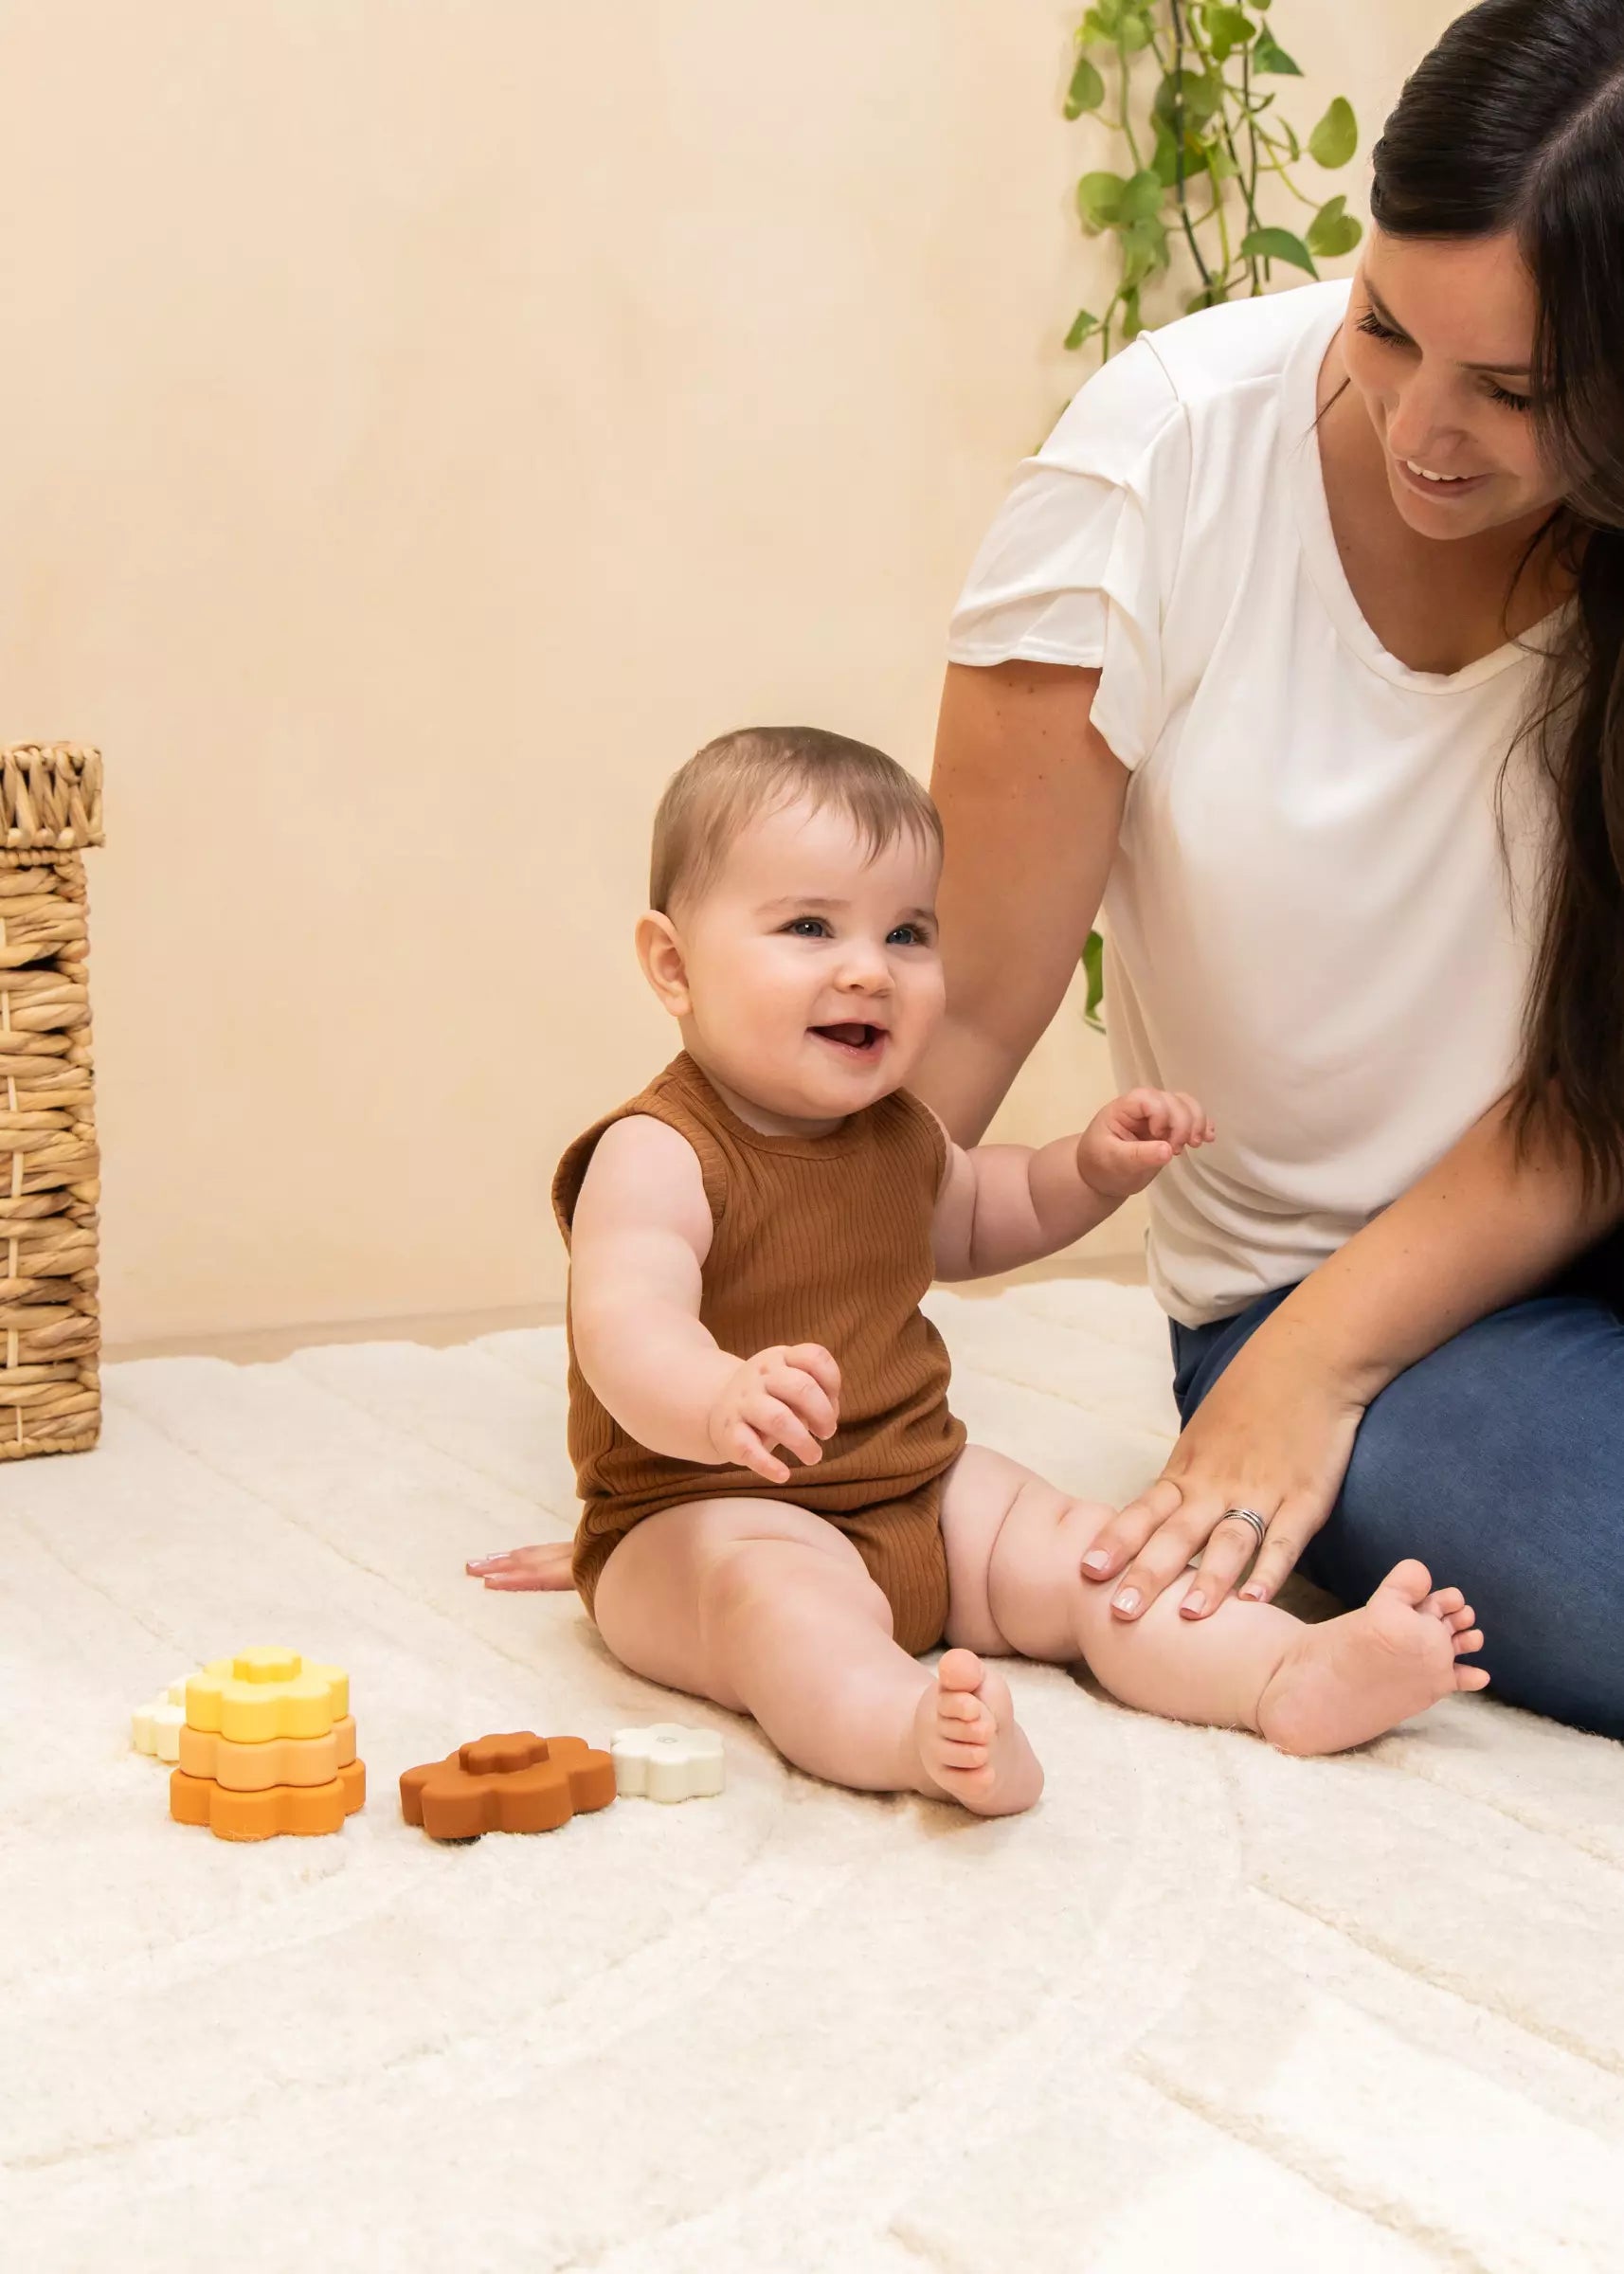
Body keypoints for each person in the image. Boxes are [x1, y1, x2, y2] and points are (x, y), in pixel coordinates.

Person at [918, 0, 1624, 1737]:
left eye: (1513, 393)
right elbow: (942, 1030)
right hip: (1323, 1295)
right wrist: (712, 1420)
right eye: (1384, 325)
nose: (1416, 429)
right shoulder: (1155, 470)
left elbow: (1594, 1093)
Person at [469, 728, 1485, 1816]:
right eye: (810, 926)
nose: (869, 967)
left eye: (907, 932)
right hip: (704, 1511)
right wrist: (718, 1398)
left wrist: (1089, 1170)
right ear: (673, 965)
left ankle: (1284, 1673)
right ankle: (905, 1733)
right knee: (781, 1611)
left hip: (915, 1486)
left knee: (1082, 1550)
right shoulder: (657, 1151)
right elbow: (627, 1326)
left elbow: (978, 1214)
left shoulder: (895, 1131)